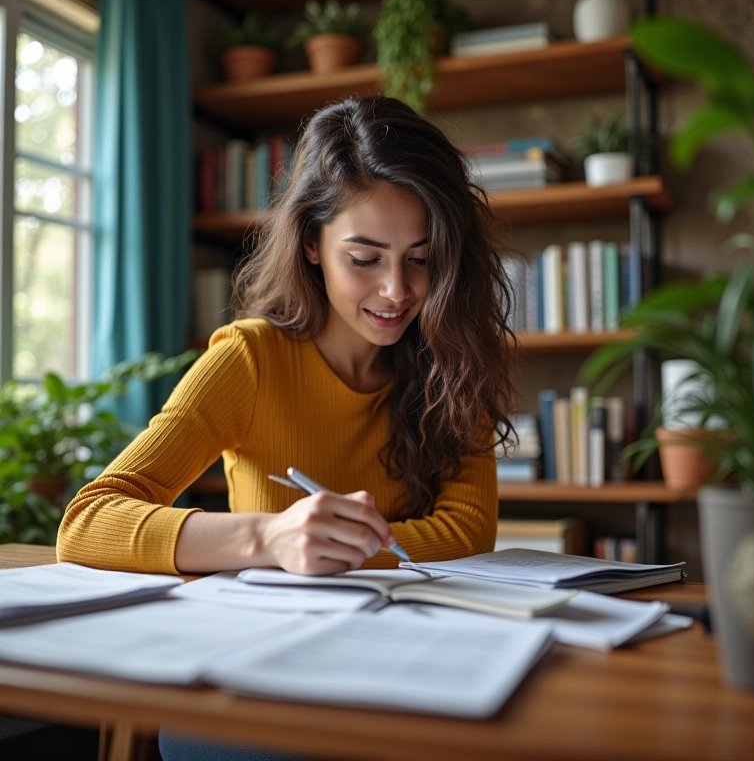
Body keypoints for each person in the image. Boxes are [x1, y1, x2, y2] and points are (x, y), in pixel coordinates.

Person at [56, 95, 517, 759]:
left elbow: (467, 533)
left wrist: (333, 552)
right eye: (365, 258)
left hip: (416, 662)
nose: (397, 291)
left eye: (421, 258)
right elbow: (88, 520)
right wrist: (270, 537)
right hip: (266, 674)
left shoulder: (454, 361)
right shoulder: (249, 359)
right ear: (310, 244)